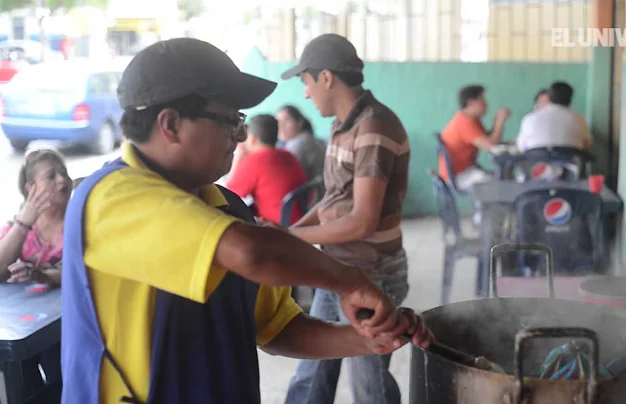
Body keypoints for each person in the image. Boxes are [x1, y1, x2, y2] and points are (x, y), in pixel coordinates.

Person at [60, 37, 433, 404]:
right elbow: (251, 253)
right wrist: (349, 281)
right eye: (229, 119)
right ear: (171, 125)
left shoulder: (228, 207)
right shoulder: (111, 196)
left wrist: (366, 340)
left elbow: (278, 329)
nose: (240, 135)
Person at [280, 33, 412, 404]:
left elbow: (361, 223)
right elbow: (333, 200)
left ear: (326, 77)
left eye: (305, 82)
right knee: (313, 371)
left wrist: (292, 239)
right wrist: (288, 232)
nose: (305, 93)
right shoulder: (343, 125)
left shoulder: (374, 126)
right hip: (337, 264)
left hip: (371, 272)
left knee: (369, 384)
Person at [0, 148, 69, 286]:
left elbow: (81, 272)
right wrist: (22, 225)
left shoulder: (81, 221)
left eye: (64, 173)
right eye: (51, 177)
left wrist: (42, 276)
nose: (62, 180)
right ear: (30, 189)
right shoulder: (19, 226)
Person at [226, 114, 308, 225]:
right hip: (301, 220)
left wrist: (238, 158)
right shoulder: (288, 155)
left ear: (253, 139)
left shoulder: (254, 161)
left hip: (275, 226)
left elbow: (227, 195)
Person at [438, 85, 511, 190]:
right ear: (471, 103)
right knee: (500, 183)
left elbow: (489, 138)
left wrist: (497, 122)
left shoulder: (470, 119)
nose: (486, 104)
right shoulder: (464, 122)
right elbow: (491, 145)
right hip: (459, 176)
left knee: (502, 178)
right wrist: (500, 120)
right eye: (482, 100)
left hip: (466, 171)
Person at [516, 81, 592, 152]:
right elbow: (587, 145)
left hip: (536, 164)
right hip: (570, 164)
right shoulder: (579, 119)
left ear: (549, 98)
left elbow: (521, 146)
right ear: (570, 99)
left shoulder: (529, 118)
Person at [276, 104, 326, 181]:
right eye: (278, 122)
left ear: (300, 122)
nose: (281, 126)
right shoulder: (308, 138)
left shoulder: (300, 143)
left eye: (287, 120)